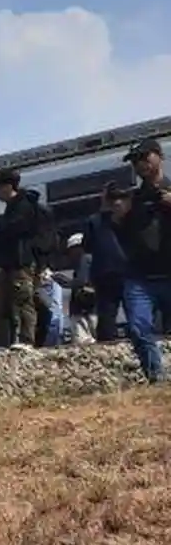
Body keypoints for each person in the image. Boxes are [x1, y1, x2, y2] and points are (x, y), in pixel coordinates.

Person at [112, 138, 171, 383]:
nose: (140, 164)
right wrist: (117, 219)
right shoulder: (132, 199)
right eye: (135, 161)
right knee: (137, 328)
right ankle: (156, 378)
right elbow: (121, 236)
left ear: (160, 156)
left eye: (145, 157)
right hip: (139, 276)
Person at [0, 168, 42, 349]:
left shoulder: (24, 205)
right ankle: (2, 342)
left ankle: (26, 340)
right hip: (6, 265)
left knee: (23, 302)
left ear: (7, 186)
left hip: (20, 263)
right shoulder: (12, 207)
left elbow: (12, 229)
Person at [81, 182, 131, 342]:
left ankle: (108, 345)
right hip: (130, 270)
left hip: (104, 272)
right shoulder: (130, 217)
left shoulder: (94, 220)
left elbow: (87, 246)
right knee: (134, 311)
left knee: (107, 312)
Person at [54, 232, 97, 345]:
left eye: (71, 251)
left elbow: (81, 282)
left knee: (83, 343)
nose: (70, 255)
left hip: (83, 312)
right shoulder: (93, 260)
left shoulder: (85, 259)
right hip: (92, 311)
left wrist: (62, 280)